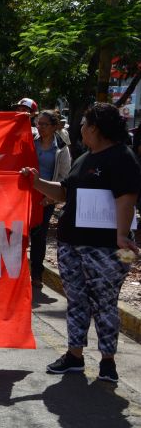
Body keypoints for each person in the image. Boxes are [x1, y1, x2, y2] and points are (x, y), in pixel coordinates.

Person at [21, 102, 141, 383]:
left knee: (104, 302)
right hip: (71, 244)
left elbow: (127, 199)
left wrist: (122, 235)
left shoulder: (121, 157)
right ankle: (74, 355)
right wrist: (36, 182)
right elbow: (64, 192)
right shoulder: (84, 157)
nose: (81, 129)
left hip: (106, 248)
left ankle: (107, 362)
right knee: (76, 301)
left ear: (96, 128)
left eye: (84, 124)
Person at [29, 110, 71, 289]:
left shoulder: (62, 148)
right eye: (39, 123)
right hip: (25, 195)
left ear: (54, 127)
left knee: (38, 236)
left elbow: (64, 176)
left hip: (45, 198)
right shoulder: (30, 139)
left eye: (45, 124)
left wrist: (50, 198)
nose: (40, 127)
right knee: (17, 233)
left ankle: (36, 274)